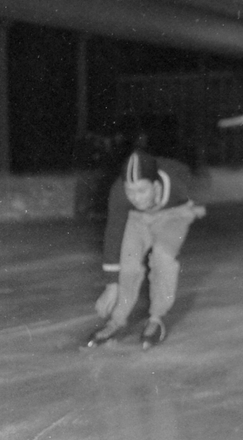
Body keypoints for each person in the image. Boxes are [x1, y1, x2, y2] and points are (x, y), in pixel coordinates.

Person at [86, 150, 206, 350]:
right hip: (138, 218)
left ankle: (156, 319)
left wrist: (198, 204)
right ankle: (116, 320)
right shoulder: (119, 192)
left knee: (162, 258)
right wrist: (112, 284)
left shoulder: (176, 184)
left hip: (174, 214)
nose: (135, 197)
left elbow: (194, 181)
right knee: (128, 263)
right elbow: (114, 234)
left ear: (156, 186)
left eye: (142, 190)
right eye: (130, 191)